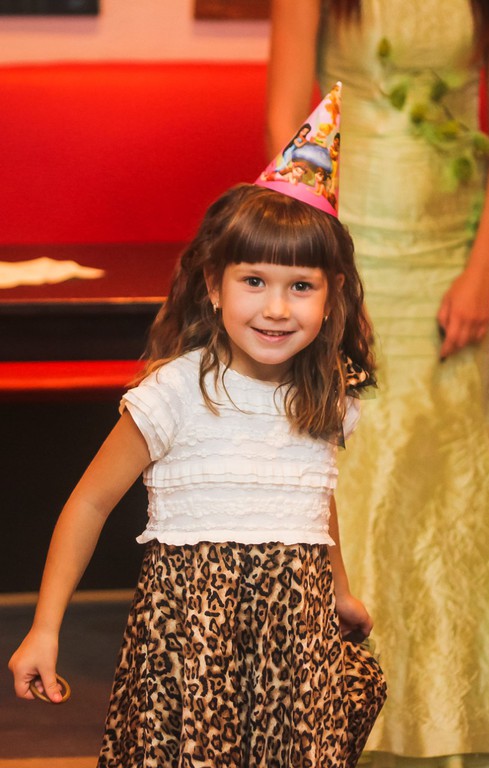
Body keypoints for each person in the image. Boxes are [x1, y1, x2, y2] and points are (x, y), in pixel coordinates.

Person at [8, 87, 387, 765]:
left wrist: (340, 591)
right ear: (213, 285)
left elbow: (314, 501)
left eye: (301, 286)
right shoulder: (176, 392)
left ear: (332, 298)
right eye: (254, 282)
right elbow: (89, 503)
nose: (277, 308)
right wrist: (45, 626)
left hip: (296, 648)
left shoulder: (327, 397)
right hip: (190, 647)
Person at [266, 1, 489, 767]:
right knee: (348, 456)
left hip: (450, 246)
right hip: (347, 238)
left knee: (446, 467)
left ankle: (449, 713)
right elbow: (286, 114)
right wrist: (317, 267)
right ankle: (331, 714)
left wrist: (484, 269)